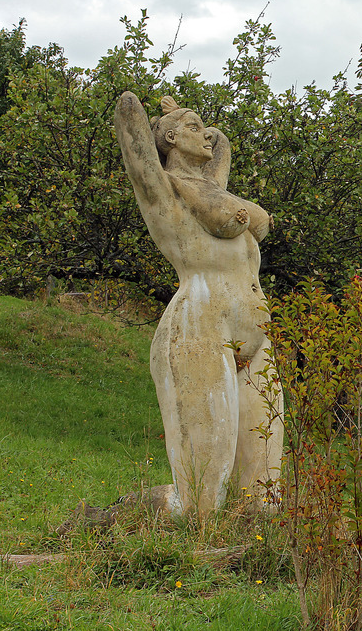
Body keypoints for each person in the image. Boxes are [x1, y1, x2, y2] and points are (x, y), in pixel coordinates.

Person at [114, 91, 283, 516]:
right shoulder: (164, 192)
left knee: (263, 502)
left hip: (257, 336)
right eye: (193, 127)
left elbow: (219, 141)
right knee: (201, 504)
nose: (204, 134)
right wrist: (140, 116)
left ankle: (256, 557)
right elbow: (137, 145)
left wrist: (190, 124)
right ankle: (126, 513)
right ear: (169, 137)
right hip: (200, 327)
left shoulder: (212, 192)